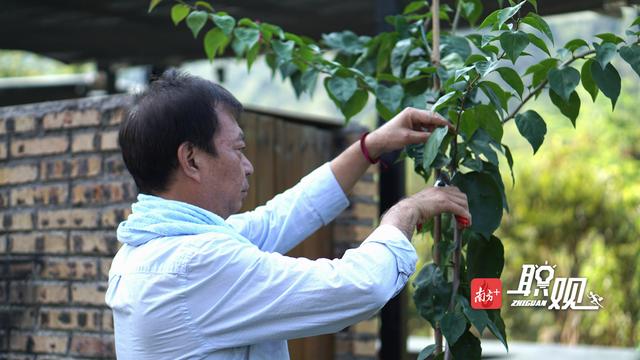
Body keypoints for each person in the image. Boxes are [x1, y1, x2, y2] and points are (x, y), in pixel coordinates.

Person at [105, 70, 471, 360]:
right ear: (192, 159)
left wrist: (369, 147)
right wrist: (406, 210)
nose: (248, 166)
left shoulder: (151, 249)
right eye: (238, 149)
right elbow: (359, 286)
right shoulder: (196, 264)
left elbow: (284, 214)